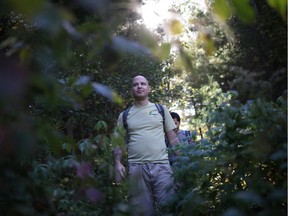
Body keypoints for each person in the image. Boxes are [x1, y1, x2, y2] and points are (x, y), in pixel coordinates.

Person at [113, 75, 179, 216]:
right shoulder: (124, 115)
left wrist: (183, 161)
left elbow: (173, 139)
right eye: (135, 84)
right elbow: (118, 143)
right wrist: (117, 163)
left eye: (143, 84)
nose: (139, 86)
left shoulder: (161, 110)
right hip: (136, 169)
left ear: (149, 88)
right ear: (132, 89)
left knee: (167, 209)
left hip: (162, 166)